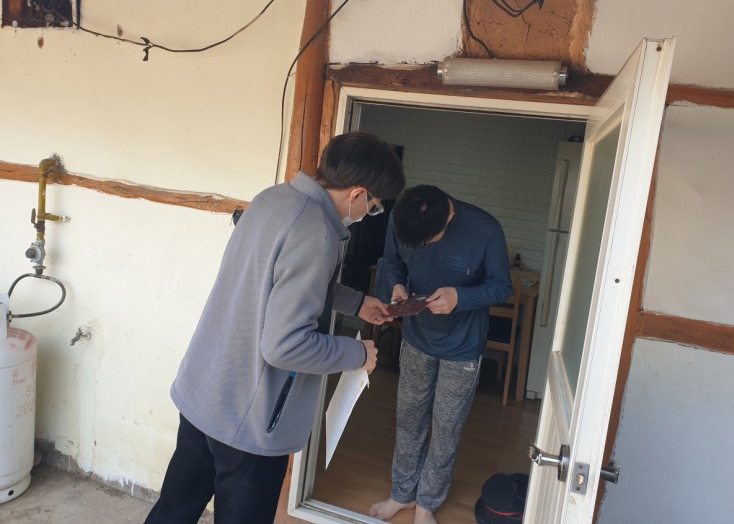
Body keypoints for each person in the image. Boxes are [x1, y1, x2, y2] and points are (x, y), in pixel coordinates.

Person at [145, 131, 405, 524]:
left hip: (205, 392)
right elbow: (285, 346)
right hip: (248, 418)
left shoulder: (273, 198)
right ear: (357, 193)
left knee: (173, 511)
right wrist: (357, 353)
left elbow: (269, 281)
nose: (368, 212)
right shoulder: (315, 231)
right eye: (373, 206)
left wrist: (354, 302)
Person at [369, 185, 512, 524]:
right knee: (409, 418)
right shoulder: (403, 216)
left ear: (449, 216)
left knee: (446, 427)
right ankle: (402, 494)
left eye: (429, 241)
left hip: (462, 347)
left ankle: (427, 504)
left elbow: (502, 286)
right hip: (416, 337)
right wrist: (396, 284)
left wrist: (461, 298)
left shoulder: (485, 229)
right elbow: (392, 260)